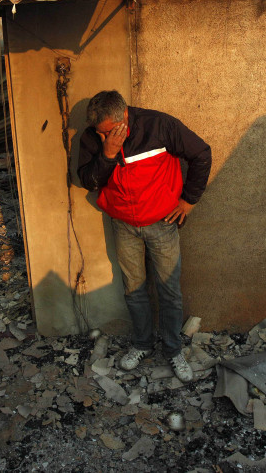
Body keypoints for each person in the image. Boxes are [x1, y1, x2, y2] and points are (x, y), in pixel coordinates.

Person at [77, 90, 211, 382]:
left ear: (124, 116)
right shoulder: (94, 138)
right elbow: (88, 180)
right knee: (134, 290)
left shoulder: (159, 125)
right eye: (100, 133)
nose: (102, 137)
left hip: (161, 223)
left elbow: (201, 153)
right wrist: (108, 153)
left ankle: (174, 350)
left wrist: (188, 201)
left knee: (169, 291)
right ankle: (142, 345)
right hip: (123, 225)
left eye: (108, 132)